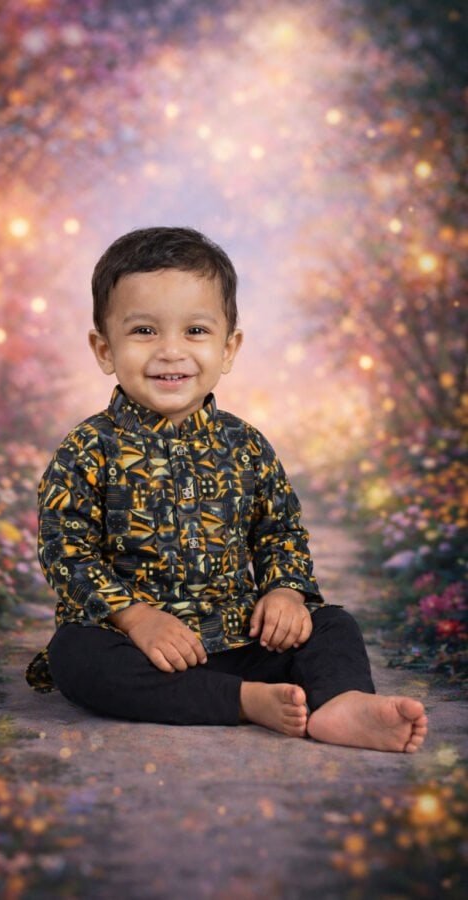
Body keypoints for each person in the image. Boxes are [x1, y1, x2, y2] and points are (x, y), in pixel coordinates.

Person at [26, 226, 428, 752]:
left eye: (195, 331)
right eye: (145, 331)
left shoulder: (246, 444)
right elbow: (66, 551)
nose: (171, 352)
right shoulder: (87, 449)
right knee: (75, 656)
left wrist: (285, 590)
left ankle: (340, 704)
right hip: (136, 644)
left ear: (228, 347)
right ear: (104, 349)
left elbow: (280, 530)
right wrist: (136, 617)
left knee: (331, 624)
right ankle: (244, 701)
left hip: (238, 633)